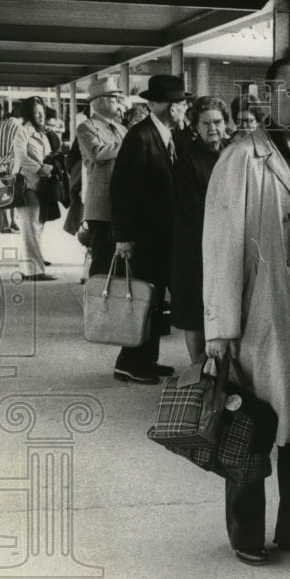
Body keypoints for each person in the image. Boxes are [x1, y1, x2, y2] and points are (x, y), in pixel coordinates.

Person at [203, 58, 290, 567]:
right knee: (250, 421)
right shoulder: (242, 157)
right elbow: (220, 246)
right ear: (267, 97)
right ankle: (245, 531)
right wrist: (219, 327)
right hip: (261, 311)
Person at [103, 74, 189, 384]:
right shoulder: (140, 137)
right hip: (145, 238)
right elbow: (122, 191)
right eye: (182, 104)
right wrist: (123, 237)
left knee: (152, 302)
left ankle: (146, 360)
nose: (185, 110)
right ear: (170, 107)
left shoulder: (167, 135)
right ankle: (129, 362)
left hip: (164, 236)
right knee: (141, 300)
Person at [171, 96, 230, 364]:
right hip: (196, 247)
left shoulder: (232, 153)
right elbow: (191, 206)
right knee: (195, 313)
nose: (212, 128)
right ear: (195, 126)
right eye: (205, 123)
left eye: (217, 122)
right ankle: (197, 374)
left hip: (227, 246)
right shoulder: (186, 159)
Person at [78, 77, 128, 296]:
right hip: (101, 204)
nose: (118, 101)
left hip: (122, 200)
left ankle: (114, 303)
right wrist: (128, 145)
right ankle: (96, 304)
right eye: (113, 98)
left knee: (121, 258)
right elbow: (98, 153)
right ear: (99, 102)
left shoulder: (121, 128)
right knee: (102, 255)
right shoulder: (86, 127)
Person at [11, 97, 56, 281]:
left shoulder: (43, 134)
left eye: (43, 112)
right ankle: (35, 271)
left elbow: (48, 155)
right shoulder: (23, 131)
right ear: (29, 113)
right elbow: (21, 157)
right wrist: (40, 168)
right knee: (31, 228)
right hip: (27, 184)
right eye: (37, 112)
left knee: (35, 227)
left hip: (40, 185)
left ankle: (28, 268)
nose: (41, 115)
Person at [0, 107, 23, 234]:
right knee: (12, 193)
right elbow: (18, 148)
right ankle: (13, 222)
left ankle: (3, 224)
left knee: (0, 193)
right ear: (20, 117)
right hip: (12, 166)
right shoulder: (19, 127)